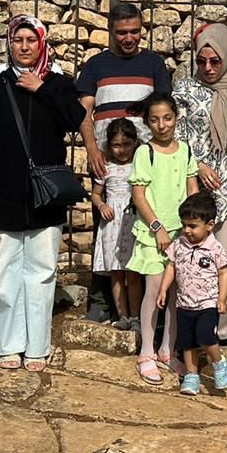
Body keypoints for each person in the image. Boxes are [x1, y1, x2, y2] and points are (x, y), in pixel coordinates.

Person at [0, 15, 83, 372]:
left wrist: (41, 89)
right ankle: (7, 343)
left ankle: (37, 345)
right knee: (4, 271)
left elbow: (76, 118)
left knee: (42, 270)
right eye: (19, 40)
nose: (25, 46)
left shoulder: (59, 84)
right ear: (10, 44)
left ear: (42, 43)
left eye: (32, 40)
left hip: (44, 194)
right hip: (2, 191)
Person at [76, 1, 172, 321]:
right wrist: (91, 149)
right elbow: (84, 111)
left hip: (144, 163)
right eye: (122, 33)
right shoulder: (95, 66)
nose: (129, 38)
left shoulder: (154, 64)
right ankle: (102, 302)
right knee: (106, 231)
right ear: (110, 31)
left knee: (144, 232)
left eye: (135, 31)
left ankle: (148, 306)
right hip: (106, 160)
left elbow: (163, 109)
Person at [173, 23, 227, 349]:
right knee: (195, 259)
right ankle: (200, 324)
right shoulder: (184, 90)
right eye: (202, 61)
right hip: (196, 182)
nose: (208, 68)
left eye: (215, 61)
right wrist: (197, 164)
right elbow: (175, 136)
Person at [129, 94, 199, 384]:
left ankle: (167, 350)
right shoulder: (145, 153)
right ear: (148, 122)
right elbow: (139, 194)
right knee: (154, 290)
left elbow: (191, 187)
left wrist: (195, 226)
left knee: (176, 295)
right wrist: (157, 226)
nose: (162, 125)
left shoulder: (185, 150)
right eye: (155, 119)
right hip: (153, 234)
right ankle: (146, 351)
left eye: (167, 118)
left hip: (180, 234)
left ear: (176, 118)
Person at [156, 192, 227, 397]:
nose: (187, 230)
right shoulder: (179, 244)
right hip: (184, 303)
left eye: (192, 226)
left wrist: (222, 299)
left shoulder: (215, 248)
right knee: (187, 341)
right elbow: (171, 266)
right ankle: (191, 374)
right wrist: (164, 289)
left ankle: (219, 363)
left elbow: (224, 273)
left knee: (206, 336)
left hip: (207, 303)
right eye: (184, 225)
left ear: (209, 225)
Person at [90, 118, 141, 330]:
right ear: (109, 145)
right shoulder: (106, 168)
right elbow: (95, 194)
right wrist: (101, 205)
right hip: (112, 223)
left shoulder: (139, 164)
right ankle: (122, 316)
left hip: (133, 220)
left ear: (135, 143)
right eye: (116, 145)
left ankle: (136, 317)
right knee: (116, 272)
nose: (121, 150)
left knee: (134, 273)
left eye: (126, 144)